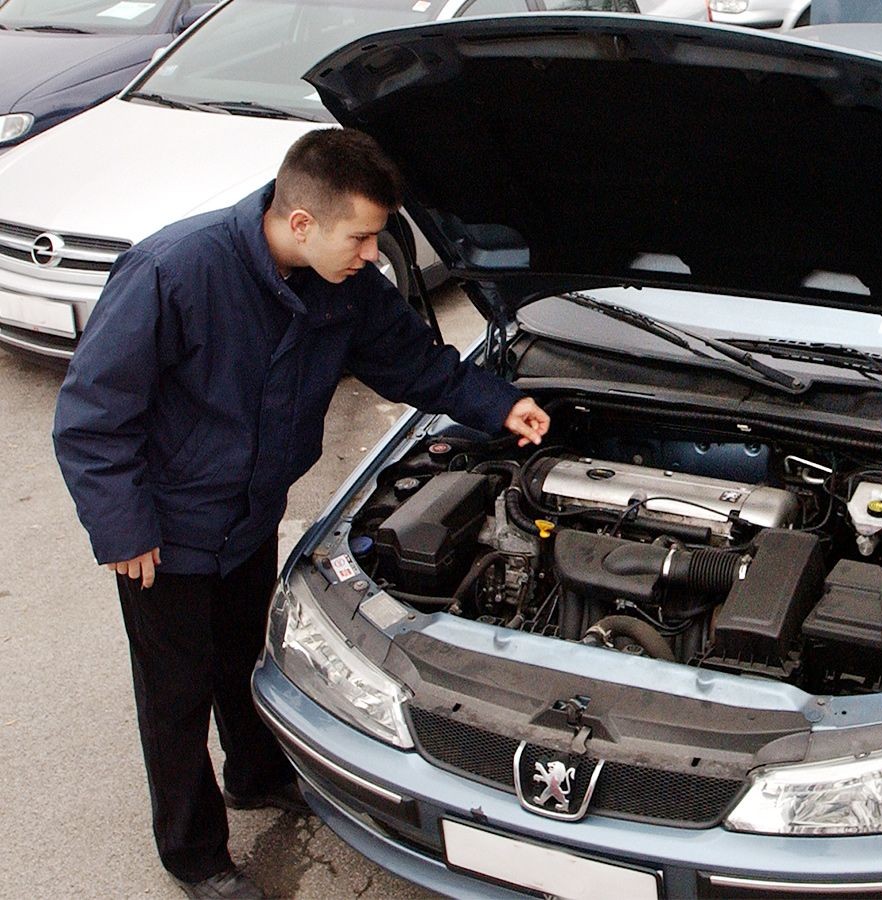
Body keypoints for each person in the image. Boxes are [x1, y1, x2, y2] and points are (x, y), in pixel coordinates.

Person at [53, 128, 549, 899]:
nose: (372, 254)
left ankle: (255, 775)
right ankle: (194, 855)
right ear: (301, 222)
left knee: (244, 658)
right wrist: (123, 529)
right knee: (176, 696)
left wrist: (499, 403)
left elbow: (413, 362)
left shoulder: (344, 283)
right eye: (360, 237)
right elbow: (92, 415)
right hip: (165, 534)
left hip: (251, 515)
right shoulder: (174, 271)